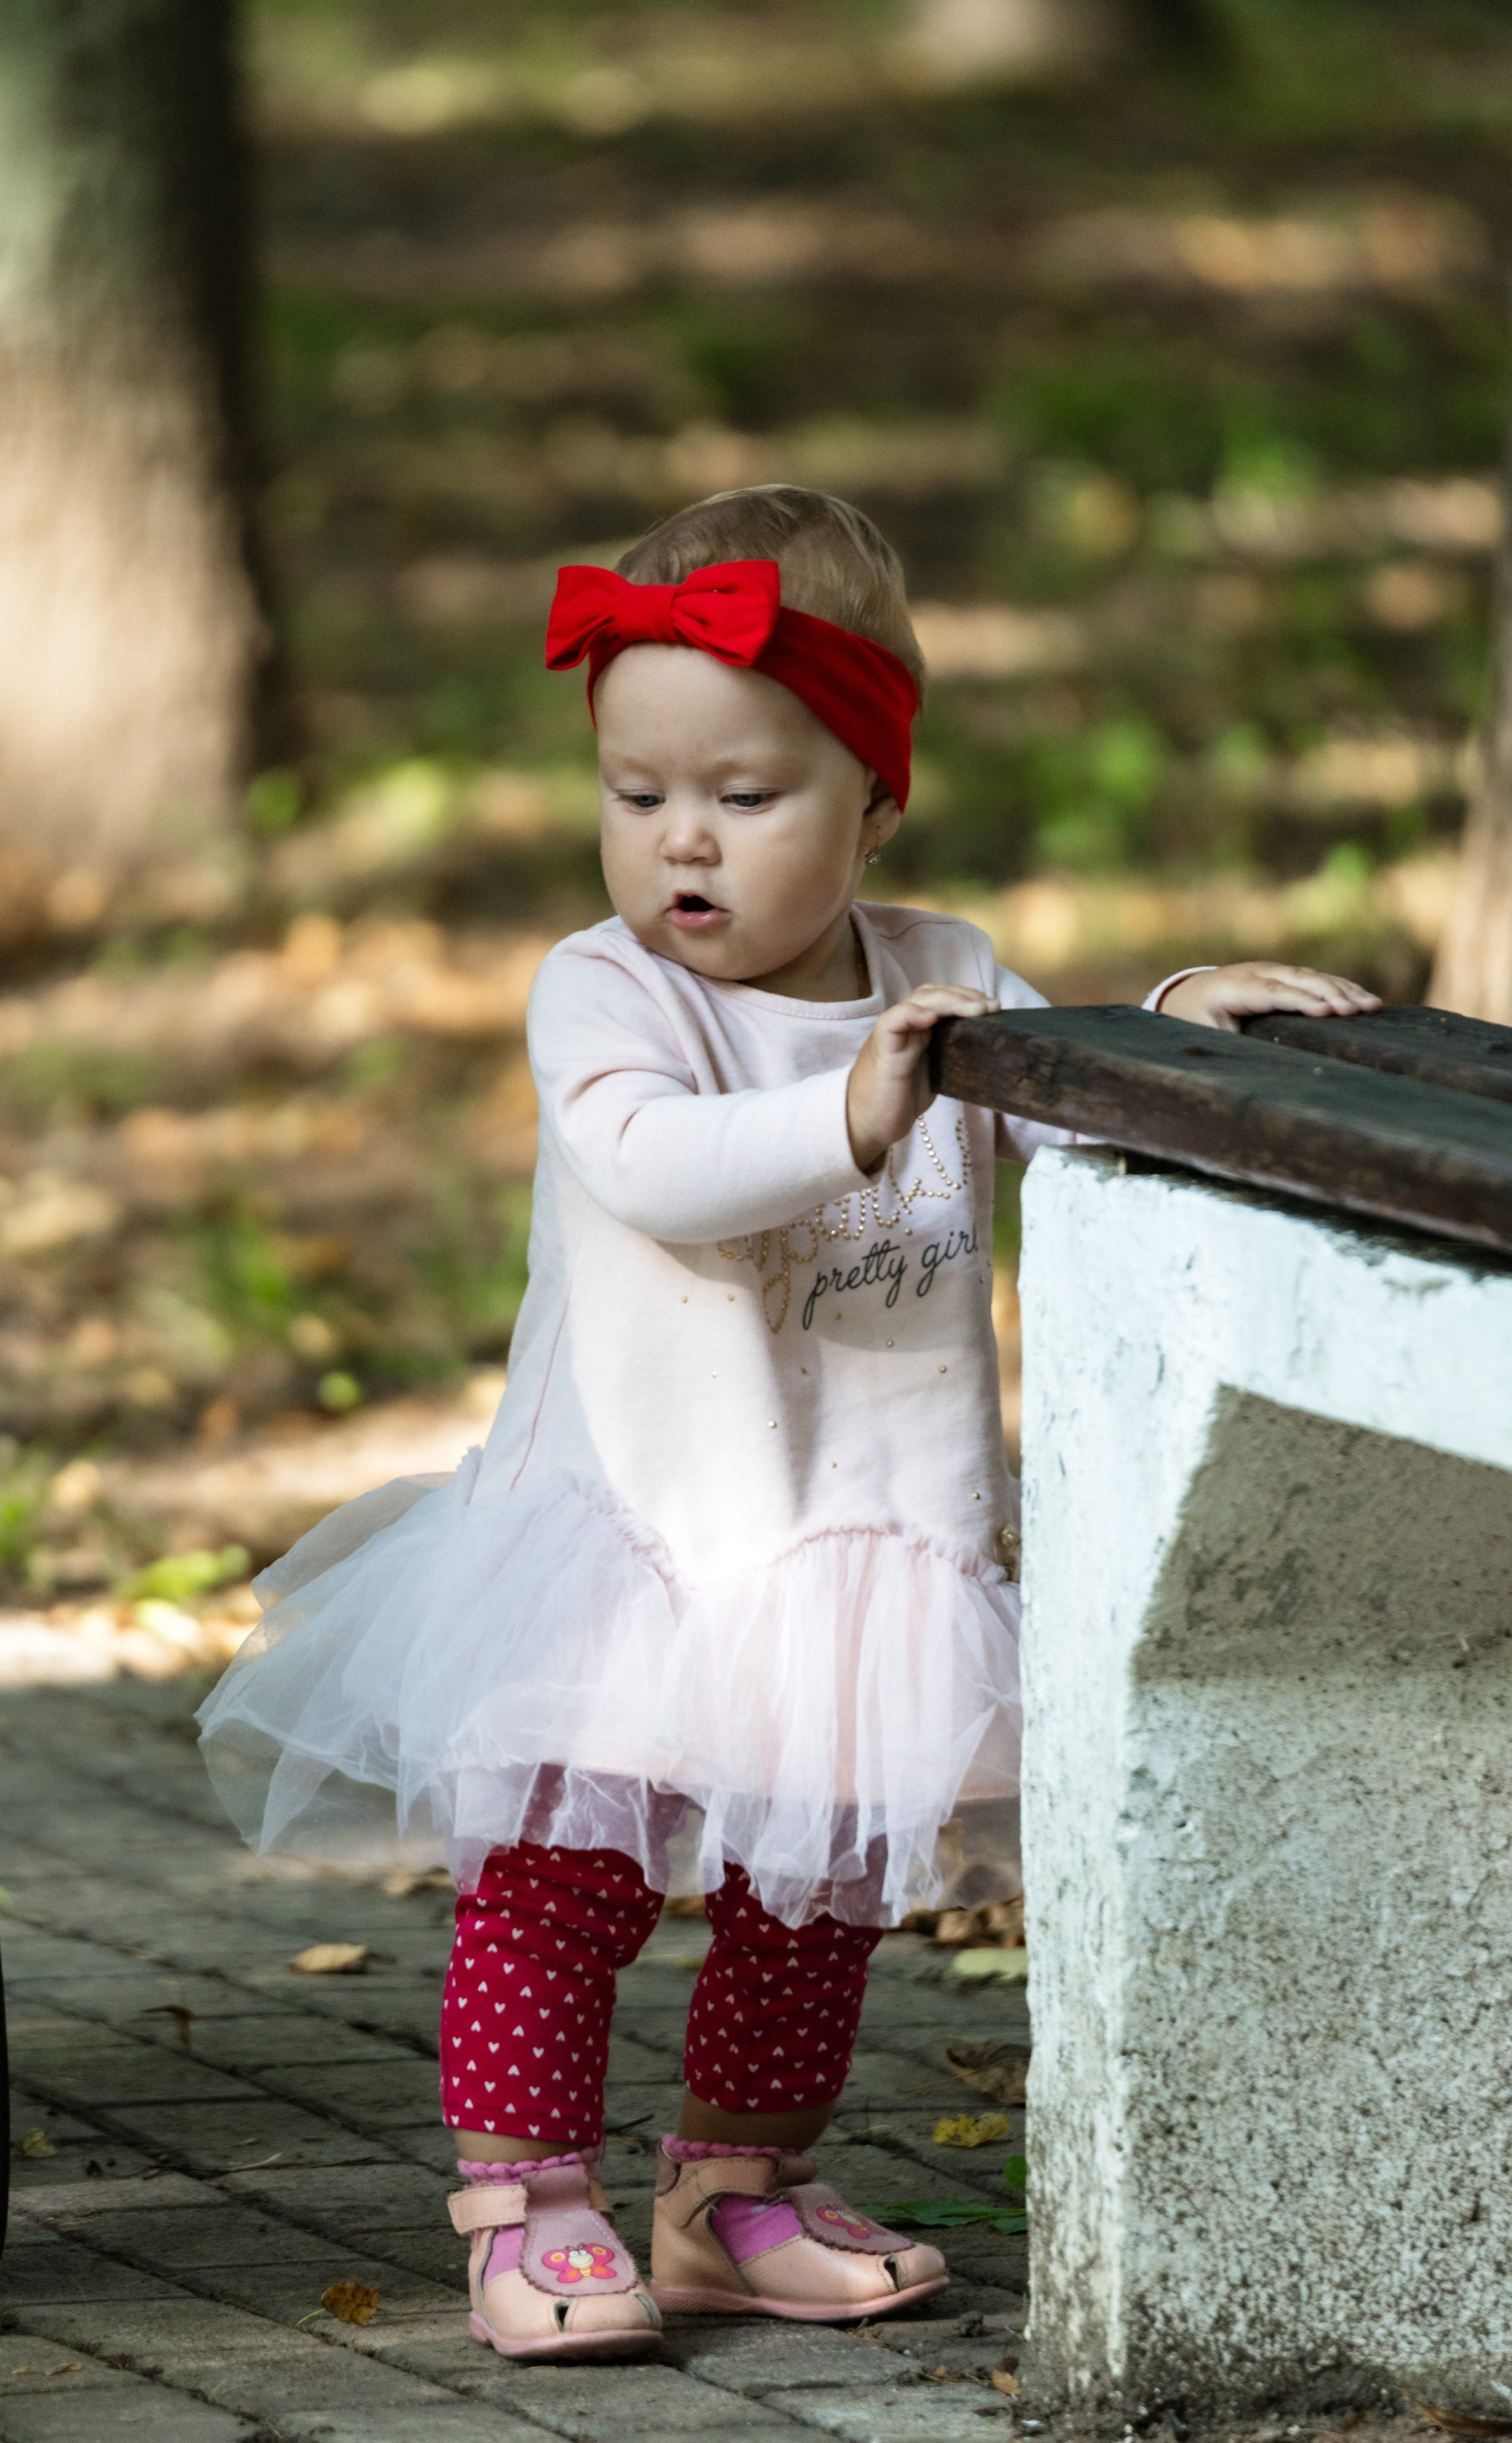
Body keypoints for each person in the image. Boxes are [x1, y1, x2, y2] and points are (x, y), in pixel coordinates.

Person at [197, 485, 1377, 2363]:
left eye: (745, 799)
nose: (682, 842)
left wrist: (1161, 1026)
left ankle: (729, 2192)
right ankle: (530, 2200)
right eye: (635, 792)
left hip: (858, 1544)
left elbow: (1050, 1111)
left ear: (873, 801)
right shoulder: (606, 990)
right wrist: (851, 1108)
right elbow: (651, 1164)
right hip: (638, 1532)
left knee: (811, 1897)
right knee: (564, 1877)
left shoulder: (943, 973)